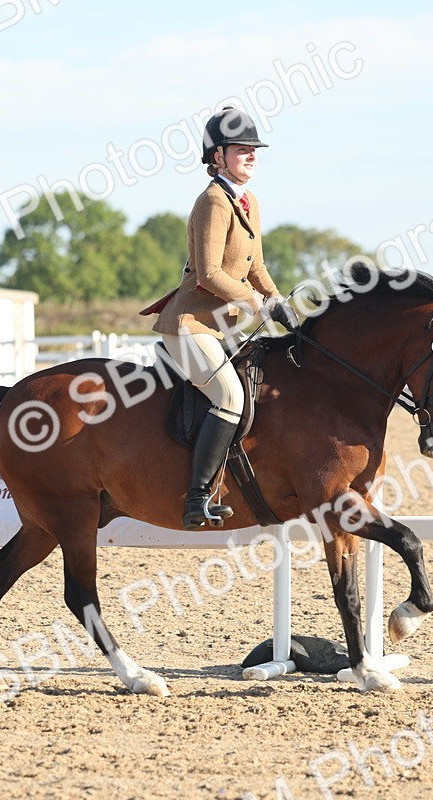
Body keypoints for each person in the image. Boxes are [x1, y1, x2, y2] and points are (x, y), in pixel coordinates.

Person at [140, 106, 298, 530]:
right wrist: (258, 305)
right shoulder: (212, 200)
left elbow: (257, 267)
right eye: (242, 149)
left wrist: (279, 301)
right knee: (230, 396)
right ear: (217, 157)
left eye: (254, 149)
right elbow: (209, 274)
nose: (251, 156)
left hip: (222, 328)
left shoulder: (249, 201)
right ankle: (196, 498)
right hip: (190, 324)